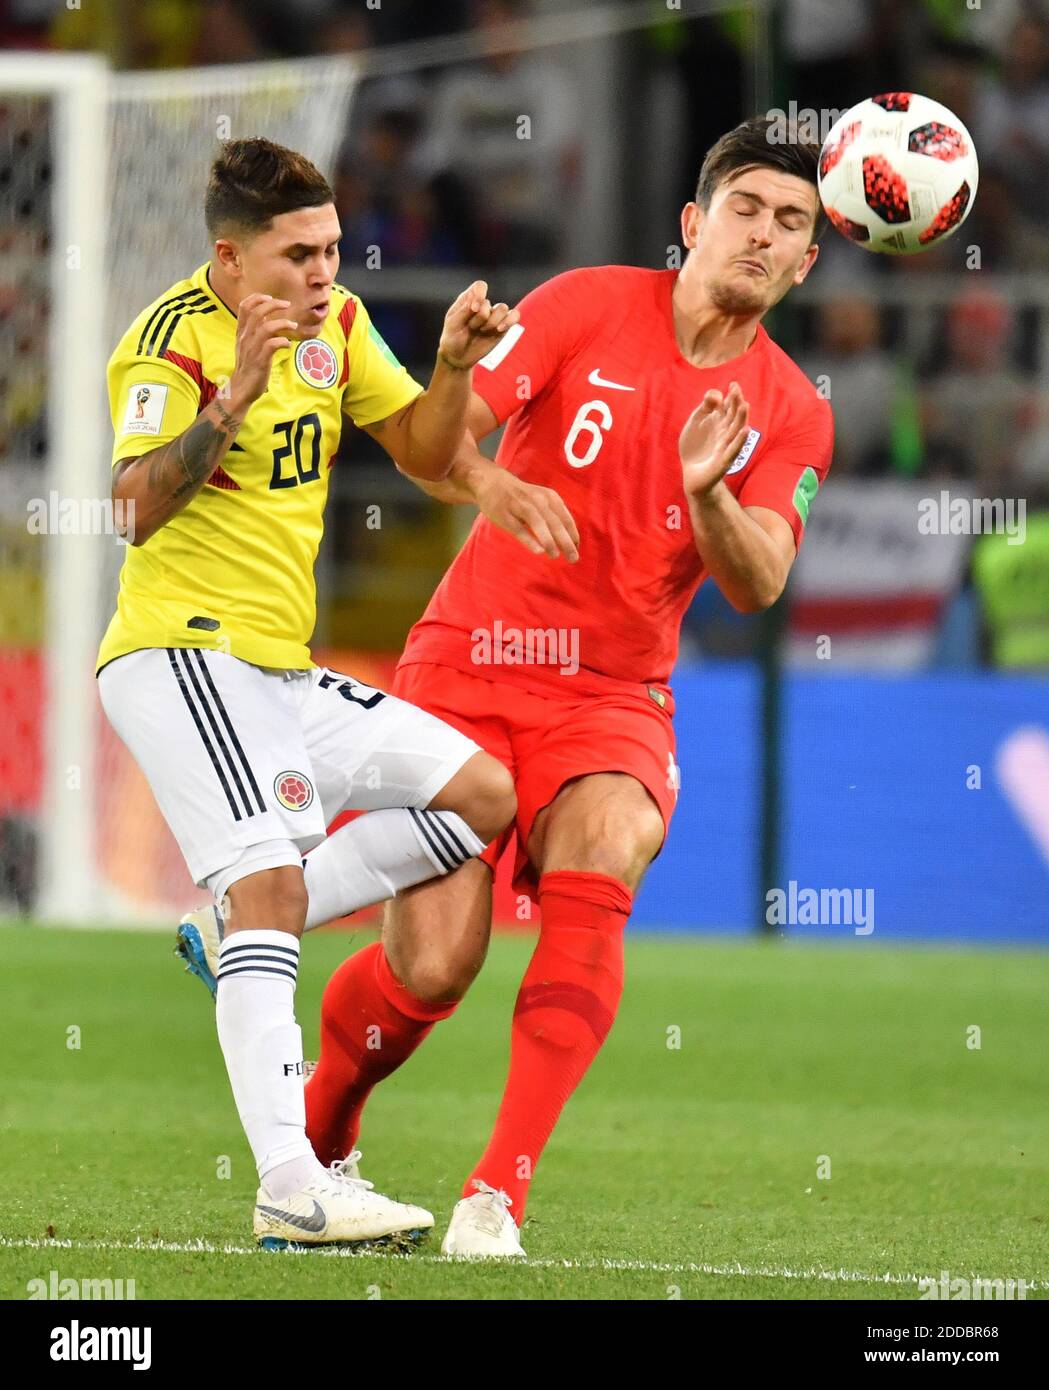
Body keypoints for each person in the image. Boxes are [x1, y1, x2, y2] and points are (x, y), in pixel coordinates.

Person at [294, 115, 836, 1258]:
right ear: (693, 223)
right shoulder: (583, 302)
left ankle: (497, 1192)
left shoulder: (791, 409)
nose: (762, 233)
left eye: (789, 223)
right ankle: (322, 1130)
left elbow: (759, 582)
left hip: (613, 697)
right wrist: (487, 481)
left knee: (608, 844)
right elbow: (436, 447)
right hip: (467, 666)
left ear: (805, 262)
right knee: (432, 969)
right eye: (744, 208)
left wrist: (705, 497)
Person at [96, 137, 519, 1249]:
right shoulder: (166, 341)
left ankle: (229, 926)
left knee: (481, 798)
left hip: (282, 669)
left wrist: (455, 366)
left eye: (332, 248)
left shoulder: (337, 325)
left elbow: (427, 452)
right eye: (297, 254)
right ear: (230, 262)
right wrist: (233, 393)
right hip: (179, 653)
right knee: (271, 882)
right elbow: (131, 509)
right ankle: (292, 1181)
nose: (324, 272)